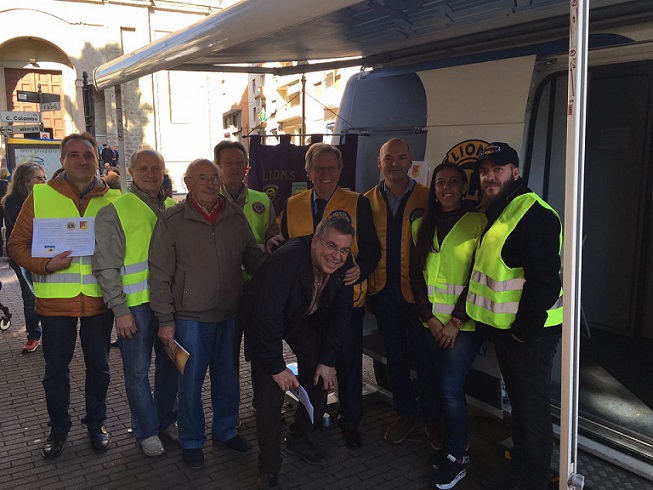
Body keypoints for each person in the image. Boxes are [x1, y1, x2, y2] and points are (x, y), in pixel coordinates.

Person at [148, 158, 267, 469]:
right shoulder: (172, 220)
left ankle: (226, 431)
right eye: (202, 178)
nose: (210, 184)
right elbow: (158, 275)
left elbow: (252, 256)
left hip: (230, 315)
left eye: (214, 177)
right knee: (189, 383)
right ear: (188, 183)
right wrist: (165, 320)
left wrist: (277, 260)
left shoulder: (235, 215)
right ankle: (191, 440)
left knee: (227, 378)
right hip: (189, 319)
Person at [9, 132, 119, 459]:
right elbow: (15, 245)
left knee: (99, 368)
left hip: (99, 301)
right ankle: (58, 429)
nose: (81, 161)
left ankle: (96, 424)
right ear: (62, 161)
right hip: (55, 304)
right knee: (56, 371)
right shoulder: (40, 196)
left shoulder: (113, 199)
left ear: (97, 160)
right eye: (74, 155)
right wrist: (44, 265)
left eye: (88, 155)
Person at [466, 142, 563, 490]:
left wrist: (522, 332)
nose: (489, 177)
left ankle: (533, 479)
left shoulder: (534, 213)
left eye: (498, 169)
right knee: (521, 405)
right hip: (509, 331)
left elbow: (545, 283)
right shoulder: (501, 208)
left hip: (530, 335)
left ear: (516, 172)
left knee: (531, 408)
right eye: (484, 171)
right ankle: (522, 469)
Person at [277, 142, 380, 448]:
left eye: (331, 168)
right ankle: (312, 417)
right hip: (306, 305)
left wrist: (361, 270)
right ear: (308, 172)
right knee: (312, 364)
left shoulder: (357, 202)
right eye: (318, 168)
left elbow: (372, 249)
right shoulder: (292, 204)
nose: (325, 173)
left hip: (344, 302)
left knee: (347, 364)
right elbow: (288, 246)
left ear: (340, 171)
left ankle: (350, 422)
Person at [242, 215, 355, 490]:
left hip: (299, 316)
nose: (337, 256)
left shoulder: (345, 263)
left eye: (344, 249)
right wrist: (276, 367)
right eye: (331, 246)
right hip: (263, 320)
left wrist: (327, 360)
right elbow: (267, 317)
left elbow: (342, 315)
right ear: (315, 241)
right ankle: (269, 467)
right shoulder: (286, 260)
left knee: (320, 374)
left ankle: (300, 436)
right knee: (270, 396)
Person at [92, 148, 178, 457]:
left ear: (163, 171)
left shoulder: (172, 207)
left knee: (172, 366)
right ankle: (146, 430)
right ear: (130, 172)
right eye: (143, 169)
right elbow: (105, 265)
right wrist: (120, 310)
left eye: (156, 168)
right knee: (138, 373)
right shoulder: (115, 210)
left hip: (169, 306)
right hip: (135, 308)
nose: (151, 174)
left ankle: (166, 419)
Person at [409, 163, 486, 489]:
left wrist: (455, 320)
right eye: (440, 182)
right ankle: (457, 447)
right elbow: (415, 275)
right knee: (441, 387)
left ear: (464, 187)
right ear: (434, 188)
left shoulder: (479, 222)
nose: (446, 187)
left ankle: (456, 460)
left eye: (454, 181)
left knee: (451, 389)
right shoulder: (421, 225)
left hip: (463, 327)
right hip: (431, 325)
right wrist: (428, 317)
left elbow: (478, 277)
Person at [364, 138, 437, 445]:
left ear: (411, 162)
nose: (395, 163)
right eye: (388, 158)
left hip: (419, 294)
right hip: (383, 292)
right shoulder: (366, 200)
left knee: (425, 359)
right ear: (379, 163)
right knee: (394, 358)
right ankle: (405, 415)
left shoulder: (428, 197)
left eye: (401, 157)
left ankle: (432, 420)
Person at [2, 162, 46, 353]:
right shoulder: (12, 201)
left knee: (46, 295)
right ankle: (33, 336)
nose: (44, 181)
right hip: (23, 257)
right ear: (27, 181)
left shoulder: (46, 197)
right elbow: (25, 227)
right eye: (39, 178)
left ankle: (50, 333)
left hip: (44, 254)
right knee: (30, 297)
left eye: (44, 177)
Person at [214, 140, 279, 246]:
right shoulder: (210, 201)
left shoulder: (263, 200)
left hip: (257, 255)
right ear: (218, 167)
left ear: (246, 167)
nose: (235, 167)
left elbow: (273, 234)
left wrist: (269, 241)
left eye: (239, 162)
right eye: (229, 162)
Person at [0, 167, 9, 255]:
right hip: (6, 207)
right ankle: (8, 250)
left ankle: (0, 250)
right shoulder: (9, 185)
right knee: (8, 226)